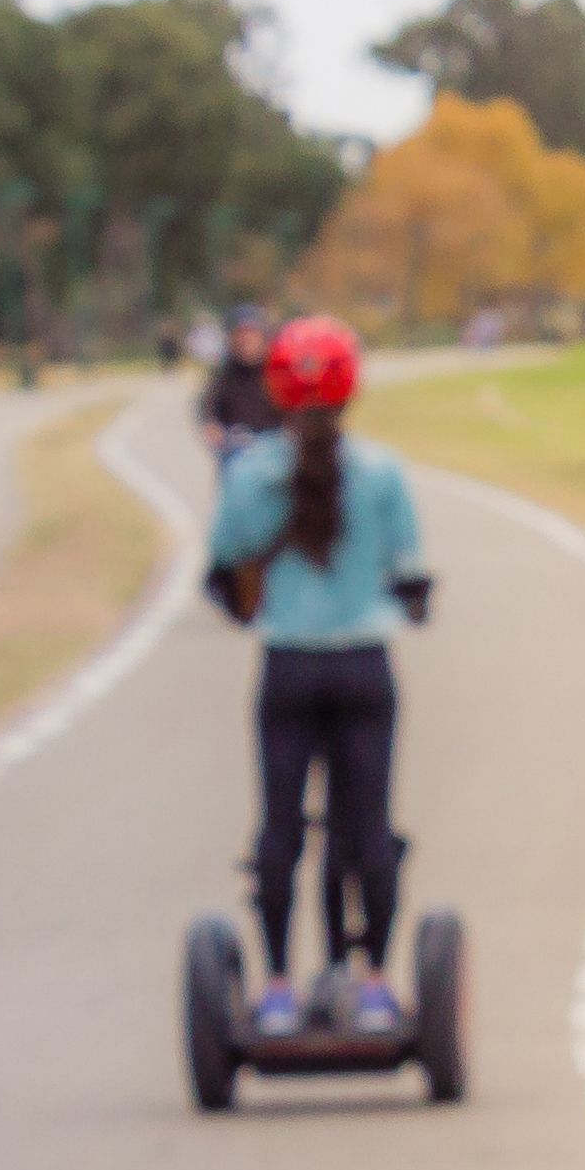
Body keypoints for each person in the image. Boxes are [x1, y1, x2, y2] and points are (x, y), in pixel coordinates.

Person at [207, 316, 429, 1040]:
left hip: (289, 666)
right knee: (368, 827)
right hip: (364, 666)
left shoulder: (249, 473)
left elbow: (225, 574)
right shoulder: (383, 473)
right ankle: (373, 983)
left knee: (280, 826)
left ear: (276, 387)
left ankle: (276, 986)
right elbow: (411, 578)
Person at [197, 306, 279, 451]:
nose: (246, 339)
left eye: (251, 333)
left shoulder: (277, 369)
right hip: (238, 444)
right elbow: (208, 404)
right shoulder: (225, 373)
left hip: (275, 442)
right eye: (240, 334)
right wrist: (211, 425)